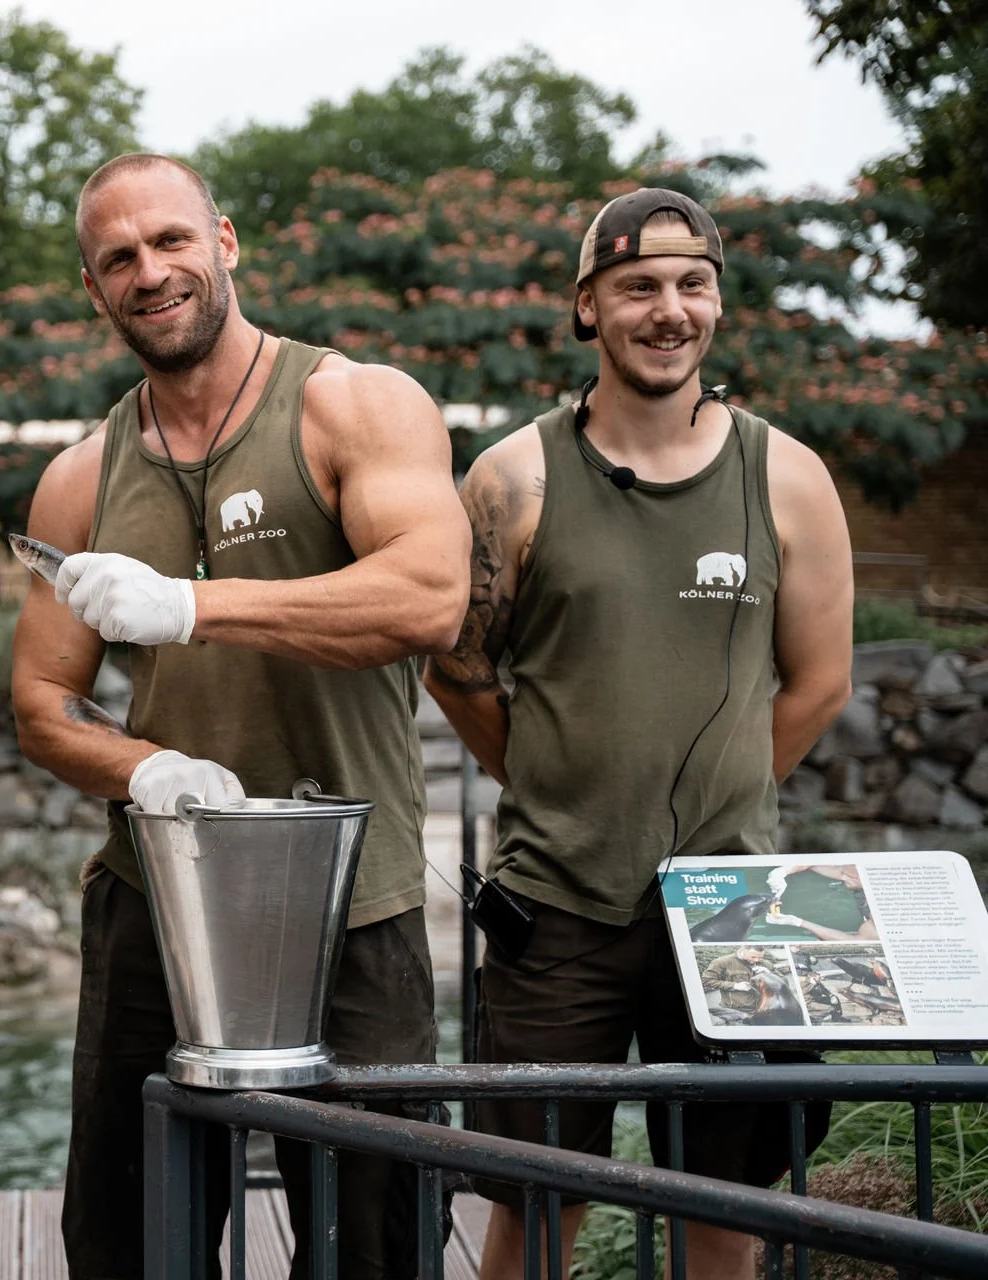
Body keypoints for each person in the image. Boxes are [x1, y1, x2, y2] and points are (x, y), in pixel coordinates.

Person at [13, 153, 469, 1280]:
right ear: (93, 288)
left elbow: (430, 595)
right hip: (154, 898)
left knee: (376, 1235)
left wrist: (188, 606)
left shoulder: (353, 403)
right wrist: (143, 767)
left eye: (170, 240)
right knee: (126, 1236)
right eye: (118, 257)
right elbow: (39, 700)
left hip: (354, 896)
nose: (150, 271)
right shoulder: (80, 477)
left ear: (224, 241)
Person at [423, 188, 854, 1280]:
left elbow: (818, 682)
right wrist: (559, 783)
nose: (669, 310)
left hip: (738, 907)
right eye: (638, 287)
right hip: (552, 900)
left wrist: (724, 807)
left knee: (723, 1206)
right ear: (588, 307)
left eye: (692, 284)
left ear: (717, 301)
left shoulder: (789, 477)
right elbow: (459, 666)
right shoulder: (512, 479)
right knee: (538, 1198)